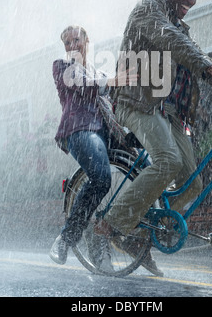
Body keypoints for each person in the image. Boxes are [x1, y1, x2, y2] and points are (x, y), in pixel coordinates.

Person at [95, 0, 212, 239]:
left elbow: (193, 55)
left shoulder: (179, 26)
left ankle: (142, 232)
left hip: (166, 110)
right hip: (136, 101)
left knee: (193, 183)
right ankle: (114, 222)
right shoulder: (148, 9)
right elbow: (173, 42)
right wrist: (211, 68)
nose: (191, 1)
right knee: (169, 161)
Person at [49, 25, 163, 276]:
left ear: (87, 40)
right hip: (80, 130)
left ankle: (132, 237)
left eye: (76, 40)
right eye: (67, 42)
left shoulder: (98, 72)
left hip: (109, 132)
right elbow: (84, 84)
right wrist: (112, 81)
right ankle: (66, 239)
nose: (72, 46)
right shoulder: (62, 67)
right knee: (101, 179)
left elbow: (118, 97)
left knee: (151, 172)